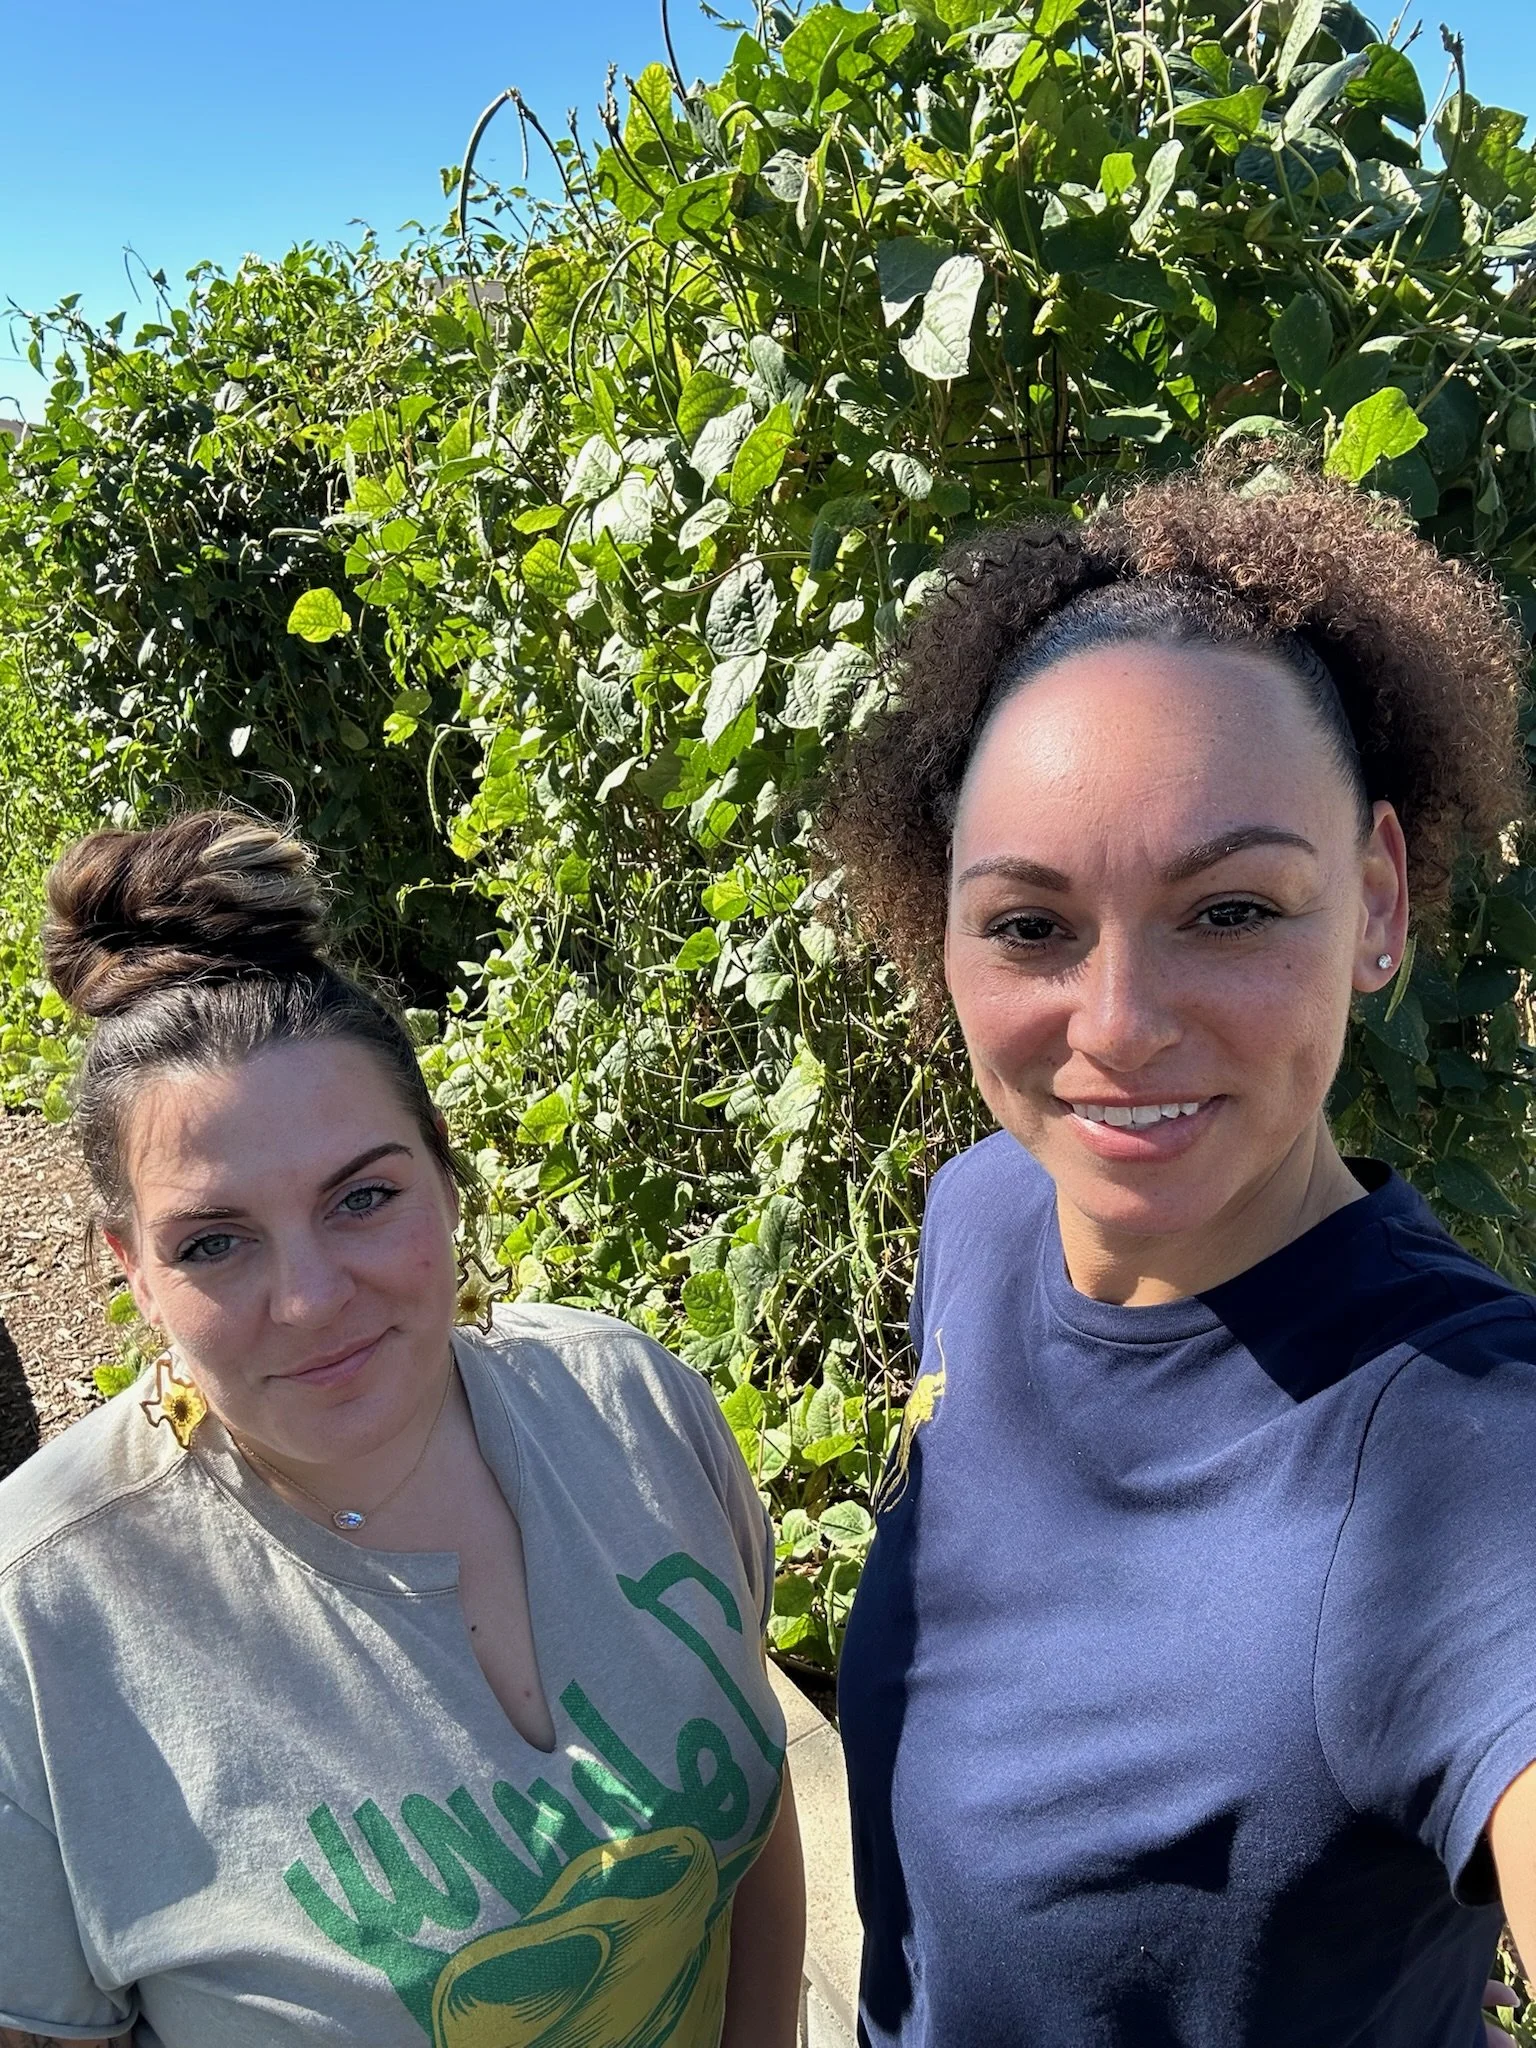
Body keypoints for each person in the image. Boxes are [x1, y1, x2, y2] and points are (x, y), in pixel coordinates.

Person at [820, 459, 1536, 2048]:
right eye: (1029, 926)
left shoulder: (1470, 1459)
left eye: (1230, 911)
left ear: (1377, 903)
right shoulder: (986, 1216)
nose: (1120, 1029)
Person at [0, 809, 804, 2048]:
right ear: (132, 1270)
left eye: (363, 1197)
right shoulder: (39, 1628)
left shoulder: (635, 1408)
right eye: (214, 1241)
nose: (313, 1296)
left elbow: (752, 1824)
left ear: (445, 1175)